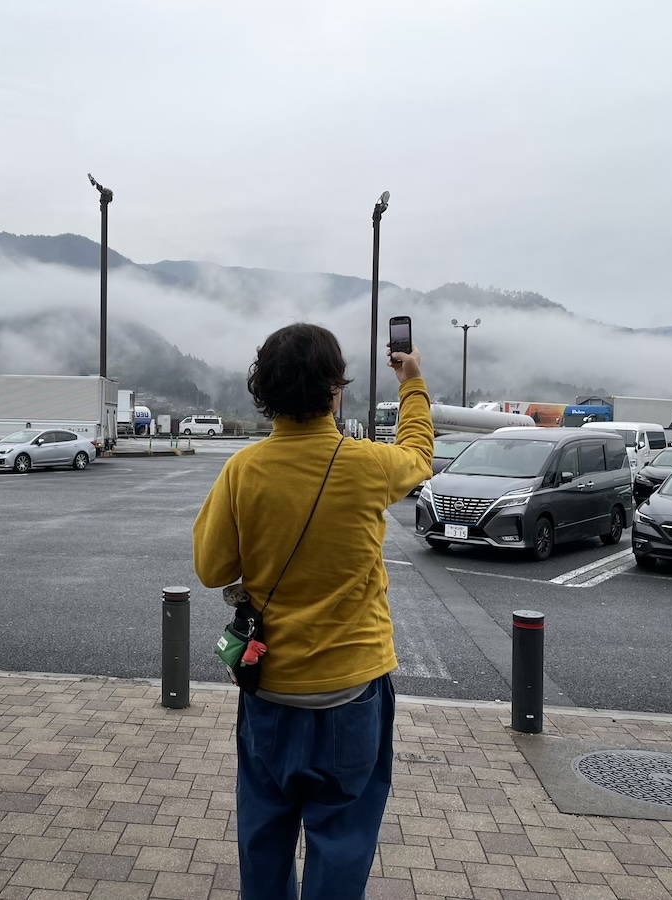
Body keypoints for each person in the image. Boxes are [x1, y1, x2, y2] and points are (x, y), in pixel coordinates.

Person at [192, 323, 434, 900]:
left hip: (271, 690)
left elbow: (212, 569)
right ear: (334, 388)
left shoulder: (243, 471)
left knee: (264, 838)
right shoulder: (369, 466)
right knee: (343, 842)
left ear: (264, 391)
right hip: (353, 691)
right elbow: (419, 456)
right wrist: (412, 383)